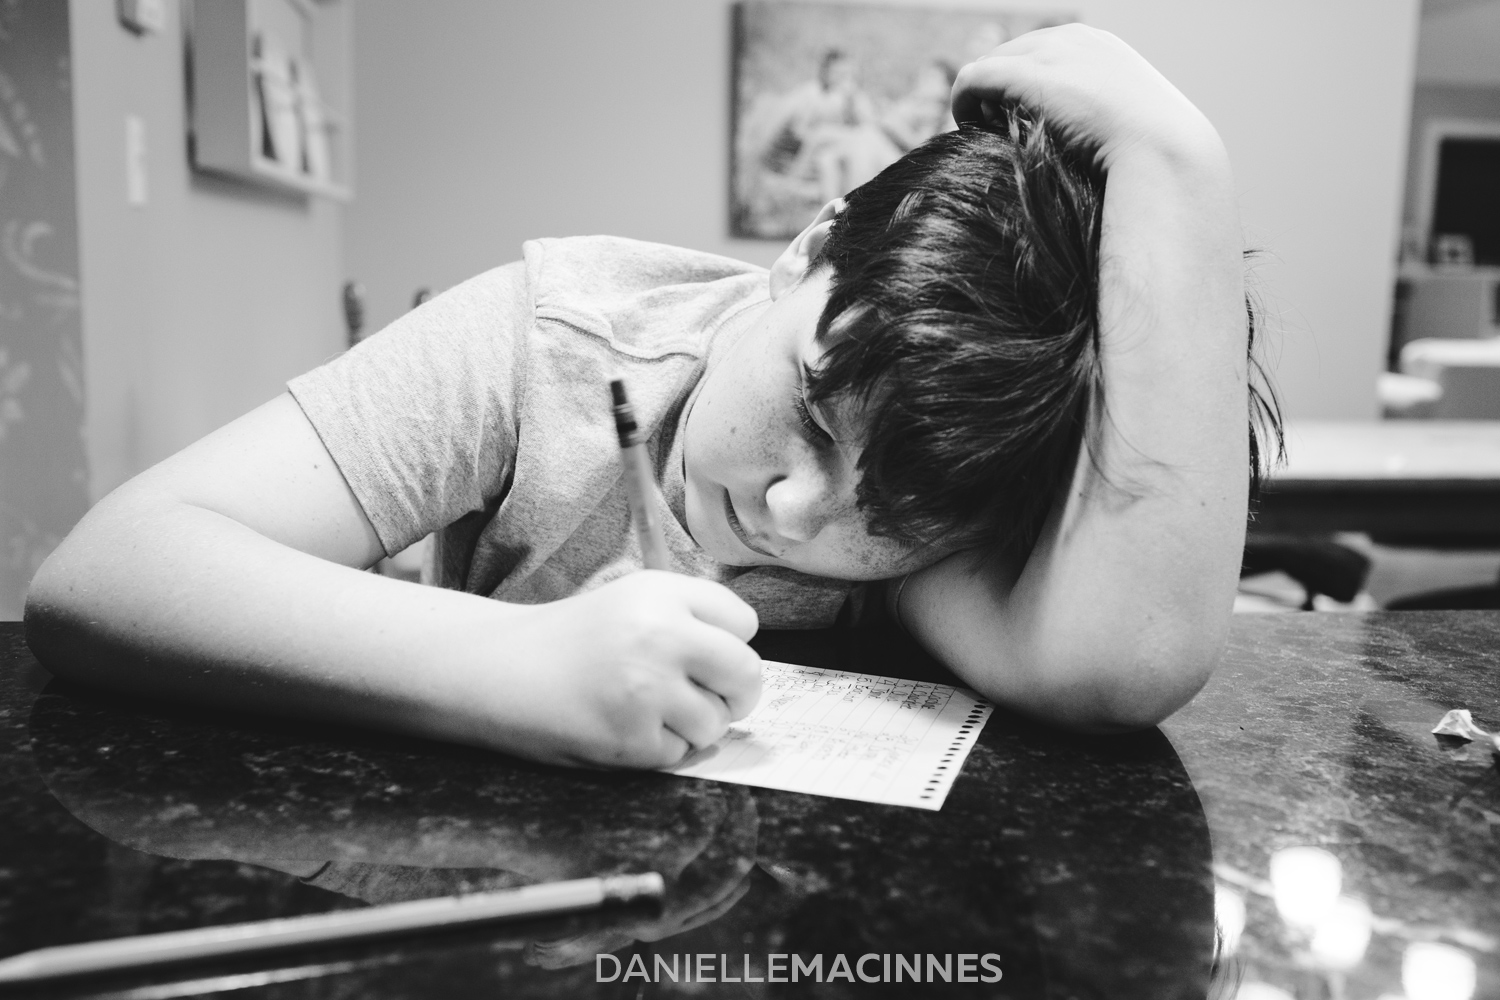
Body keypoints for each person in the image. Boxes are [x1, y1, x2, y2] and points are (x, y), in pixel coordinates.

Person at [24, 27, 1275, 771]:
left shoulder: (942, 492)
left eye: (879, 509)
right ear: (811, 247)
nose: (794, 511)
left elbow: (1131, 662)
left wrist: (1181, 173)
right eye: (810, 403)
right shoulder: (550, 338)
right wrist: (519, 666)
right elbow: (108, 572)